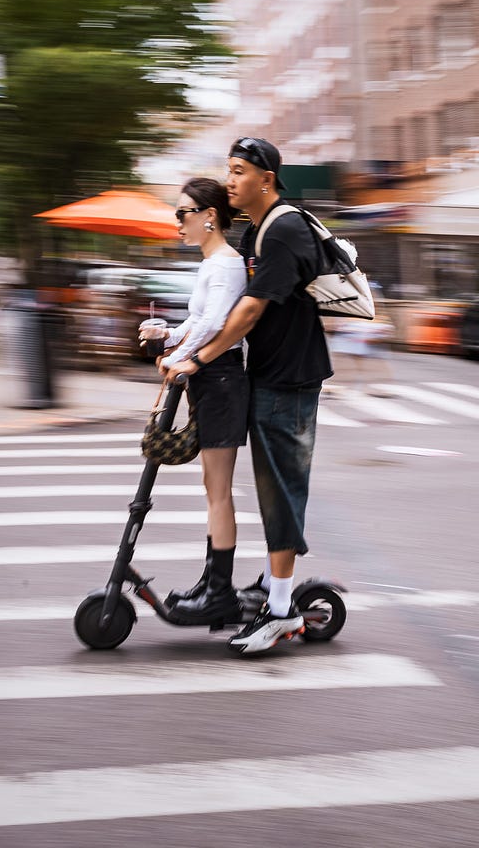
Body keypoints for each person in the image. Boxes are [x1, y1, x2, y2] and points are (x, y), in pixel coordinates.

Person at [166, 137, 332, 654]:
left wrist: (198, 358)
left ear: (267, 177)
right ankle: (269, 585)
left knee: (281, 494)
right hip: (271, 375)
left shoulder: (283, 228)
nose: (231, 179)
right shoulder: (264, 229)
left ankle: (280, 611)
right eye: (229, 170)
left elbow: (250, 311)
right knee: (268, 492)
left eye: (239, 171)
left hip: (290, 381)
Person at [139, 177, 250, 624]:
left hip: (221, 378)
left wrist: (183, 359)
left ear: (209, 216)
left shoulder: (224, 264)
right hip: (212, 378)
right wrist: (168, 334)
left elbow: (216, 326)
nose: (178, 221)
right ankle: (212, 582)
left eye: (183, 213)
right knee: (212, 489)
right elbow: (199, 321)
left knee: (218, 491)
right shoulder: (212, 263)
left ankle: (219, 592)